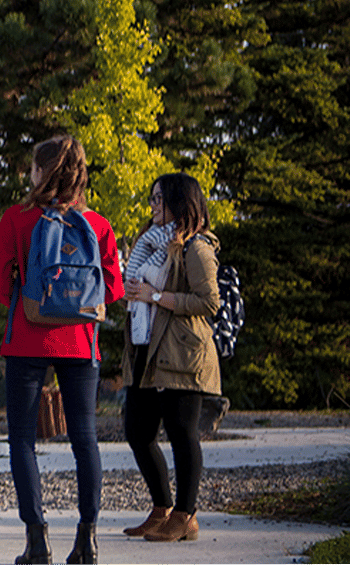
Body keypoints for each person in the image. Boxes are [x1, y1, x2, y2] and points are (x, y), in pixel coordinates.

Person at [0, 135, 124, 565]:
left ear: (40, 172)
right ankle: (87, 540)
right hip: (80, 340)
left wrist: (30, 304)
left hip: (28, 337)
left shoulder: (17, 217)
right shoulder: (97, 224)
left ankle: (37, 541)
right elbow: (114, 286)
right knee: (85, 438)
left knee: (23, 440)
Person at [120, 172, 222, 544]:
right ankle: (162, 508)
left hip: (181, 353)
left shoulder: (196, 248)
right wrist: (135, 295)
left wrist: (156, 297)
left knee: (182, 432)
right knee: (137, 431)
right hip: (148, 349)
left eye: (159, 199)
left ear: (180, 202)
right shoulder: (152, 244)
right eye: (151, 198)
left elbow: (209, 301)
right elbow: (144, 288)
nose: (153, 206)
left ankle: (186, 515)